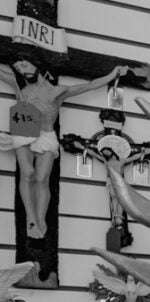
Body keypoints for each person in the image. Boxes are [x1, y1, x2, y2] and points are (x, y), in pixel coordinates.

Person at [1, 61, 129, 239]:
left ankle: (40, 218)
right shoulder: (19, 86)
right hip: (23, 133)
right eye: (19, 68)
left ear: (38, 65)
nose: (22, 70)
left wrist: (113, 75)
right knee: (28, 173)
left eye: (25, 65)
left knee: (42, 178)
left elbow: (89, 86)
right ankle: (30, 216)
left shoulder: (57, 91)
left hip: (46, 135)